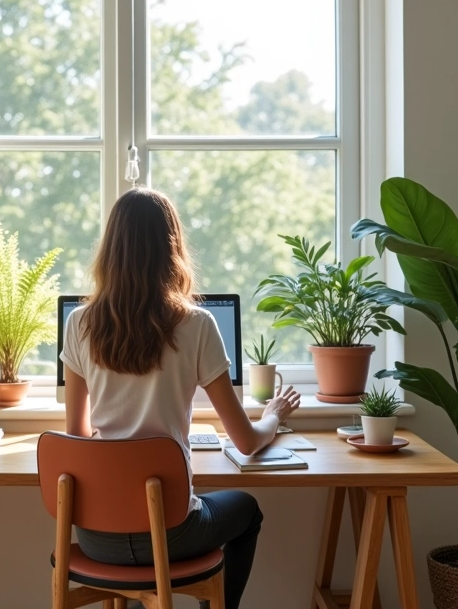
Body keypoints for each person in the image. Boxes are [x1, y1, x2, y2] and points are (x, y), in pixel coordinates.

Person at [61, 187, 301, 609]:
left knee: (143, 533)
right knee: (247, 512)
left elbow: (76, 437)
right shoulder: (196, 325)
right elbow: (245, 442)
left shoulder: (79, 323)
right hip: (171, 534)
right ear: (171, 248)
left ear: (111, 249)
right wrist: (273, 416)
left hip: (97, 538)